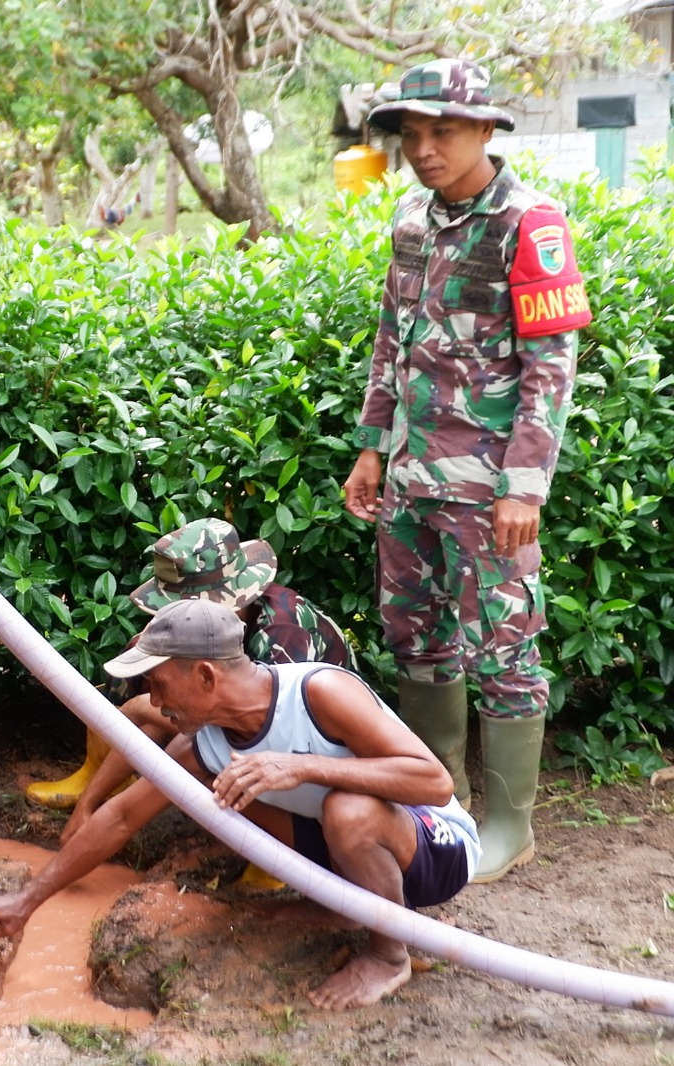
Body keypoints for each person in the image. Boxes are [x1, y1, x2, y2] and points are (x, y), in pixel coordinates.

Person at [0, 599, 481, 1011]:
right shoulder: (203, 744)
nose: (156, 702)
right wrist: (26, 901)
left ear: (205, 675)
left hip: (436, 849)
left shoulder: (319, 692)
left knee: (348, 809)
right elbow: (124, 815)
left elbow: (434, 782)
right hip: (347, 850)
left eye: (159, 684)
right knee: (218, 791)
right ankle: (341, 905)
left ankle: (388, 955)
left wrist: (303, 767)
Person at [343, 59, 591, 883]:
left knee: (505, 648)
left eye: (442, 130)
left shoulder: (530, 221)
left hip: (489, 492)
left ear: (485, 129)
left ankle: (510, 825)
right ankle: (439, 801)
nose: (424, 148)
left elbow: (551, 367)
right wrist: (372, 447)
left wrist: (525, 485)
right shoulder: (412, 219)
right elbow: (393, 338)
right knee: (416, 638)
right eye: (411, 133)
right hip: (410, 479)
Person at [32, 518, 356, 842]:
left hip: (306, 762)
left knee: (170, 719)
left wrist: (143, 709)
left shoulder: (283, 636)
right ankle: (96, 783)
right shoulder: (215, 629)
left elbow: (265, 736)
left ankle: (278, 851)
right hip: (240, 729)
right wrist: (89, 805)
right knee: (148, 663)